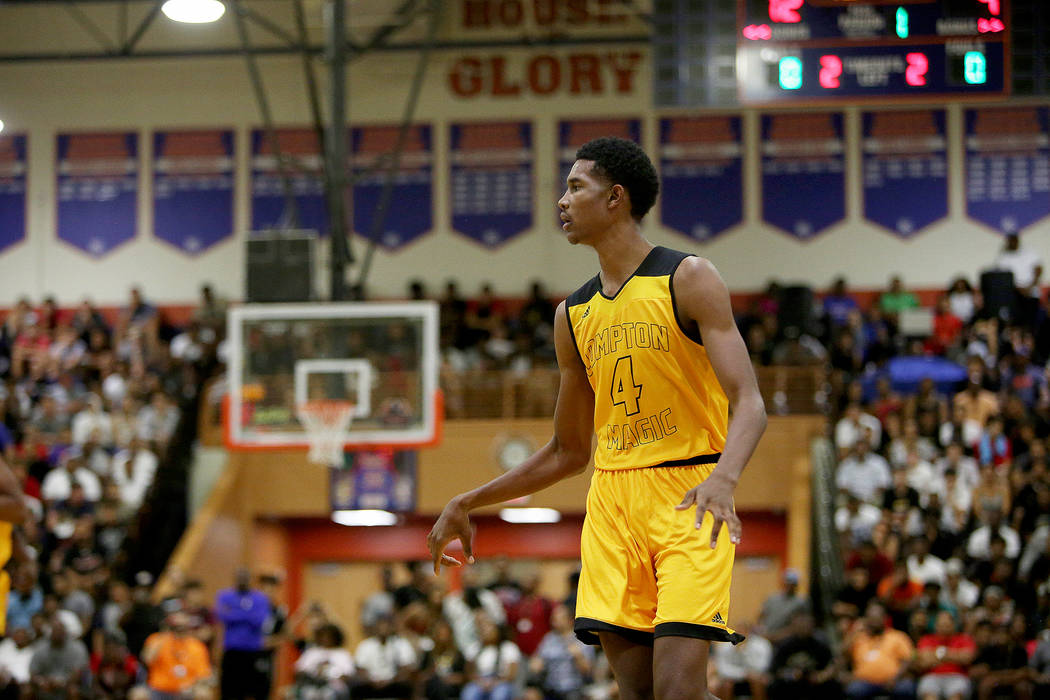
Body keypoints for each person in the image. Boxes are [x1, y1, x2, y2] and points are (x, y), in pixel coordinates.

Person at [427, 137, 768, 699]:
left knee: (677, 693)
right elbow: (568, 451)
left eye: (574, 187)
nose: (561, 201)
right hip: (611, 505)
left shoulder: (688, 278)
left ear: (615, 198)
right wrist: (467, 500)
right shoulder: (572, 315)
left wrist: (725, 479)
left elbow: (749, 403)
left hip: (690, 492)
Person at [214, 568, 270, 700]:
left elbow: (259, 620)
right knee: (230, 692)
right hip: (232, 651)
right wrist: (248, 613)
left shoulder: (260, 598)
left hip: (254, 651)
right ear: (235, 579)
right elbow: (222, 616)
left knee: (257, 692)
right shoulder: (224, 595)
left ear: (251, 580)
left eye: (246, 577)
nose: (242, 581)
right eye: (240, 577)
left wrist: (234, 612)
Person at [844, 602, 916, 699]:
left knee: (906, 688)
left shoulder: (897, 636)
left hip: (893, 681)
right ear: (866, 619)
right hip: (865, 682)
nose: (874, 621)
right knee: (854, 689)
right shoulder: (858, 638)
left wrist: (895, 678)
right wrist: (854, 632)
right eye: (871, 617)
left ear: (885, 618)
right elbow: (843, 655)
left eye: (877, 617)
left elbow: (909, 659)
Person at [141, 612, 212, 699]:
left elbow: (203, 674)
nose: (179, 632)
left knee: (203, 693)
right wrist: (164, 635)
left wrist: (192, 686)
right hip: (160, 689)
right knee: (139, 694)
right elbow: (147, 659)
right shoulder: (157, 640)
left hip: (186, 690)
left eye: (183, 628)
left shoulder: (196, 645)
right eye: (176, 628)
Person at [531, 604, 595, 700]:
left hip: (574, 690)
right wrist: (536, 664)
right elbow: (536, 660)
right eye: (554, 618)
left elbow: (588, 671)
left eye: (558, 618)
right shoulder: (549, 638)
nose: (554, 621)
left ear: (570, 620)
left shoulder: (582, 639)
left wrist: (578, 657)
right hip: (550, 689)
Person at [915, 610, 976, 700]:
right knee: (929, 696)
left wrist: (937, 654)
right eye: (941, 625)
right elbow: (924, 662)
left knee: (956, 696)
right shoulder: (926, 639)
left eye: (947, 625)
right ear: (935, 626)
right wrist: (955, 655)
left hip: (957, 677)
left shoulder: (964, 639)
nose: (943, 628)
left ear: (953, 626)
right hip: (931, 677)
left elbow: (967, 659)